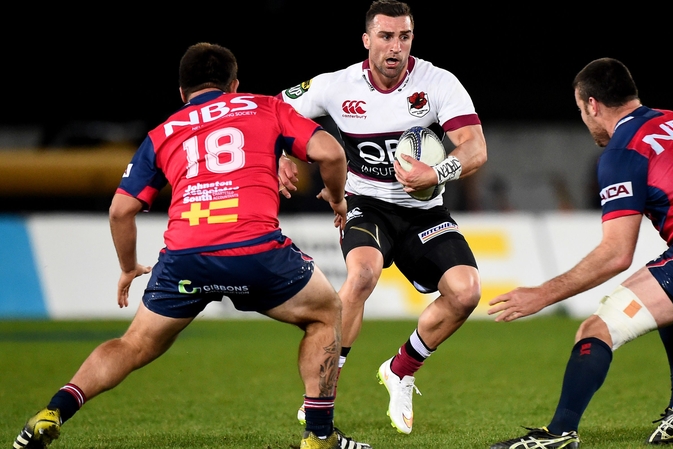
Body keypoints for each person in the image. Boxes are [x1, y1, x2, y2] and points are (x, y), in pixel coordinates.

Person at [11, 42, 371, 449]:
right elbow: (331, 151)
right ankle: (320, 437)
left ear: (181, 93)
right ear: (234, 85)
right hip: (254, 249)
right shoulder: (263, 107)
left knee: (133, 344)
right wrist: (338, 197)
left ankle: (55, 409)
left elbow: (119, 211)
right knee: (327, 313)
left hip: (186, 258)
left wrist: (129, 267)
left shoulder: (163, 132)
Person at [487, 57, 673, 448]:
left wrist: (542, 294)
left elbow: (615, 253)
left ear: (592, 105)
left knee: (596, 329)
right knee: (669, 295)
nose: (584, 120)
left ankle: (557, 435)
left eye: (580, 110)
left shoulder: (623, 151)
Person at [277, 0, 487, 435]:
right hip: (366, 204)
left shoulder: (438, 83)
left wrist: (437, 171)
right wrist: (280, 154)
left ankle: (400, 369)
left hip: (424, 210)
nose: (396, 47)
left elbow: (475, 147)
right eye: (386, 36)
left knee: (466, 292)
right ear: (367, 40)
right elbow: (275, 112)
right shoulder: (336, 85)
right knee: (362, 275)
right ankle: (321, 393)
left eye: (404, 37)